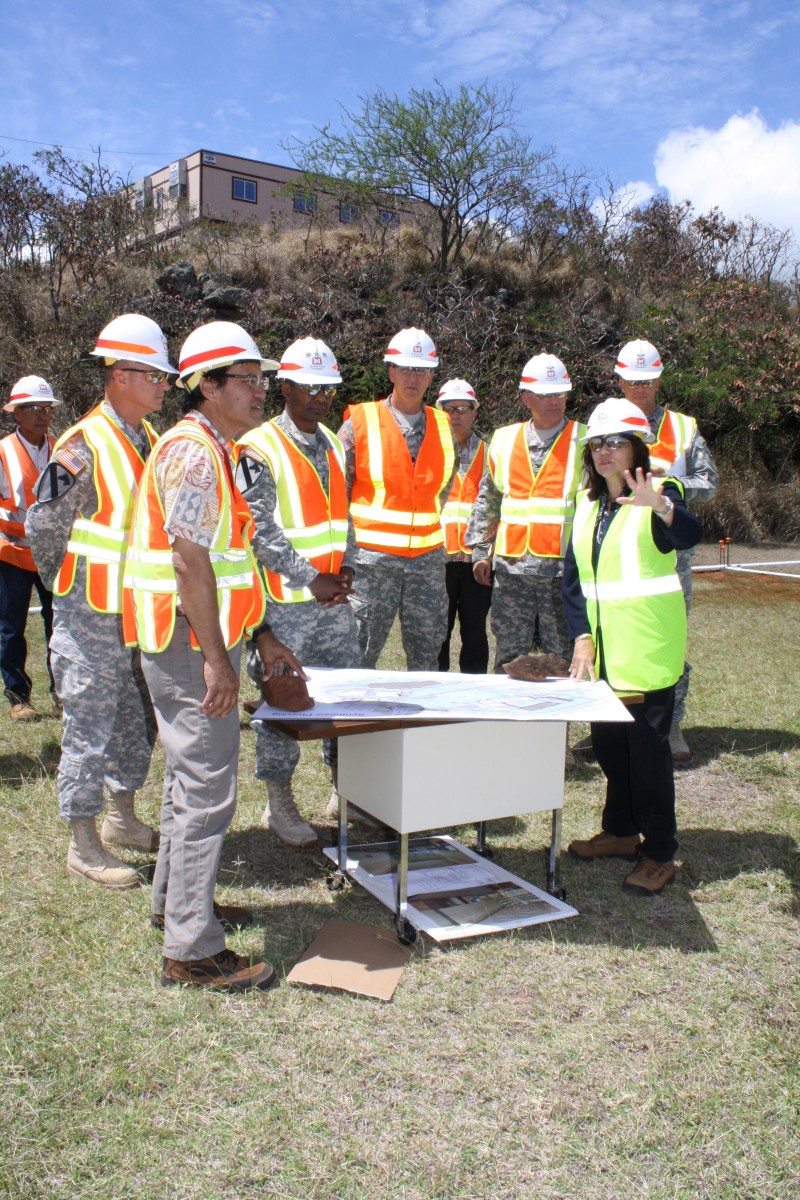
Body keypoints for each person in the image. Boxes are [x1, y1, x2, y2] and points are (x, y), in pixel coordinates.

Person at [123, 319, 302, 992]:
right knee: (206, 789)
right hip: (189, 642)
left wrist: (254, 636)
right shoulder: (198, 455)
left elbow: (226, 564)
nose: (261, 392)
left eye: (262, 380)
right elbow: (190, 563)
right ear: (208, 386)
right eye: (248, 381)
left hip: (183, 639)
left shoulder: (210, 448)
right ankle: (191, 950)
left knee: (186, 781)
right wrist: (217, 660)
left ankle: (177, 905)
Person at [26, 315, 175, 890]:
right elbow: (44, 529)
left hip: (140, 613)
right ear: (118, 376)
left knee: (134, 723)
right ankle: (83, 843)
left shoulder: (154, 441)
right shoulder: (83, 445)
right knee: (88, 724)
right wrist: (69, 589)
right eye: (153, 375)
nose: (164, 385)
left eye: (164, 375)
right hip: (90, 614)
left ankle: (121, 818)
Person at [562, 398, 702, 896]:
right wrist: (581, 638)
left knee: (646, 755)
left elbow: (689, 531)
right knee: (609, 749)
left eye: (615, 442)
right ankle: (621, 831)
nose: (604, 452)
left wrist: (661, 507)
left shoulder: (661, 491)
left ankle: (660, 851)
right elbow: (574, 578)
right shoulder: (586, 501)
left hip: (645, 653)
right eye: (597, 443)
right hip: (601, 657)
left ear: (637, 448)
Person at [235, 336, 359, 848]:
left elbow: (341, 516)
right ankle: (279, 803)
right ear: (282, 385)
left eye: (327, 387)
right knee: (283, 702)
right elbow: (259, 530)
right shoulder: (258, 447)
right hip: (285, 606)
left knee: (344, 703)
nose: (319, 396)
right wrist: (311, 577)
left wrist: (346, 567)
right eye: (307, 385)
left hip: (332, 604)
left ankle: (347, 792)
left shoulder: (333, 441)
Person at [614, 339, 717, 765]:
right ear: (619, 380)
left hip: (671, 554)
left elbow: (708, 484)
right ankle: (614, 723)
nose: (641, 388)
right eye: (633, 381)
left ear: (660, 380)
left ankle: (671, 724)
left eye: (649, 380)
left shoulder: (684, 428)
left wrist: (665, 487)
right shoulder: (606, 424)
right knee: (617, 637)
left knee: (668, 638)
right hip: (618, 550)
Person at [337, 327, 457, 671]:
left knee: (428, 655)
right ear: (391, 371)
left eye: (421, 370)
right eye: (405, 368)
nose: (413, 377)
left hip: (427, 565)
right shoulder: (360, 422)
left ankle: (422, 724)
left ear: (432, 375)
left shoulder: (444, 425)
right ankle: (356, 722)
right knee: (358, 651)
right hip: (371, 565)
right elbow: (338, 496)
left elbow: (442, 490)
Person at [466, 352, 586, 673]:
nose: (554, 401)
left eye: (560, 393)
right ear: (526, 397)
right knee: (509, 654)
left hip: (563, 572)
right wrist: (480, 550)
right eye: (545, 394)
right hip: (512, 570)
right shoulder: (503, 439)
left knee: (562, 653)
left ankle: (558, 721)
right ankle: (507, 719)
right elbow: (488, 498)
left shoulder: (585, 441)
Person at [0, 376, 60, 720]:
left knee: (59, 626)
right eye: (34, 409)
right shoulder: (3, 450)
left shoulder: (62, 448)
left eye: (46, 409)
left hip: (53, 554)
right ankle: (18, 697)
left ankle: (61, 692)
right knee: (11, 628)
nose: (42, 415)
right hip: (12, 552)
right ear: (17, 413)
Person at [435, 378, 492, 674]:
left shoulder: (491, 454)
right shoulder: (429, 450)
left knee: (474, 634)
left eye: (462, 408)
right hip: (437, 559)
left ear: (474, 413)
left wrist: (484, 551)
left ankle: (475, 699)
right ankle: (435, 698)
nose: (455, 415)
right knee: (436, 636)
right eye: (449, 409)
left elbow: (496, 507)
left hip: (475, 563)